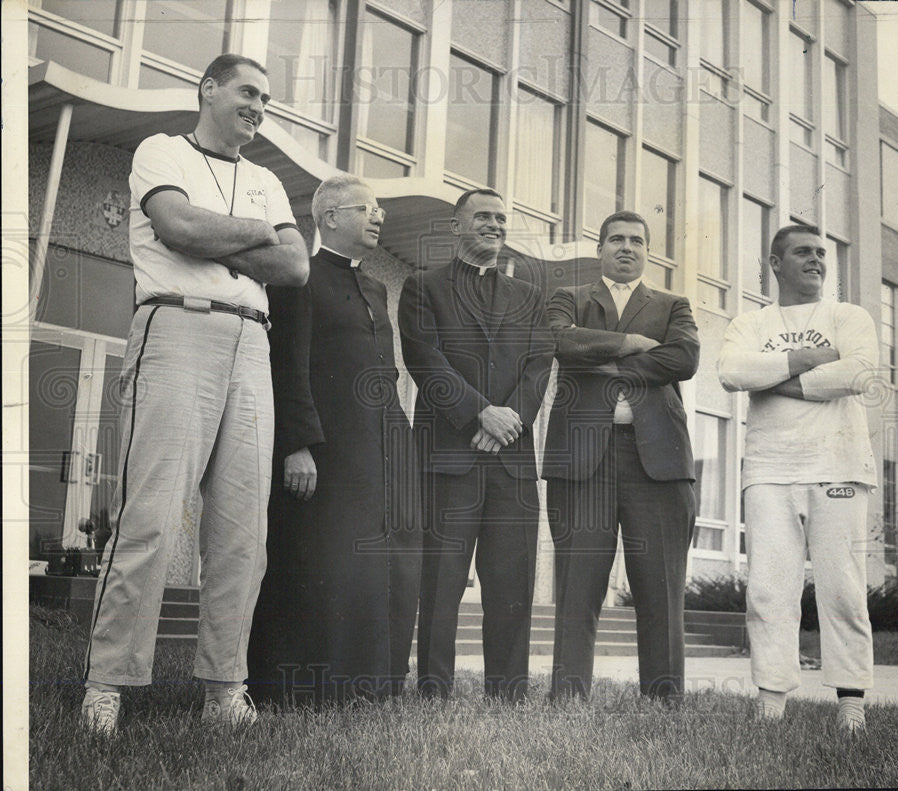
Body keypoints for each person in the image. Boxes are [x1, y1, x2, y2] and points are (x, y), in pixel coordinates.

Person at [81, 54, 309, 734]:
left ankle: (224, 685)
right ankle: (107, 683)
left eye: (266, 98)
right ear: (208, 89)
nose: (258, 106)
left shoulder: (267, 177)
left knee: (243, 528)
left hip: (251, 340)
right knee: (149, 516)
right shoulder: (160, 149)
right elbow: (176, 228)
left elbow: (294, 266)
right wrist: (257, 235)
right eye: (247, 91)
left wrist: (218, 235)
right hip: (177, 324)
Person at [247, 175, 421, 705]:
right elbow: (287, 366)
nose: (378, 218)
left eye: (380, 210)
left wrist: (401, 444)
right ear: (328, 217)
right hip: (324, 453)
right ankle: (302, 691)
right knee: (321, 565)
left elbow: (385, 372)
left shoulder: (376, 286)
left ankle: (370, 687)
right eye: (366, 209)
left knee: (378, 565)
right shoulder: (298, 279)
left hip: (382, 450)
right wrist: (296, 444)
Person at [717, 224, 878, 732]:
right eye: (803, 252)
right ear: (775, 263)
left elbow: (857, 374)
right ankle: (772, 699)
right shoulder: (750, 322)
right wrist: (806, 360)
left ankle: (851, 704)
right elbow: (731, 373)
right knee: (768, 588)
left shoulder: (848, 316)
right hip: (770, 468)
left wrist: (776, 379)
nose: (816, 261)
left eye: (821, 253)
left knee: (844, 589)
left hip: (839, 465)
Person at [398, 188, 554, 701]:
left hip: (512, 460)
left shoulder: (529, 295)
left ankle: (508, 694)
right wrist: (478, 412)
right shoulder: (424, 287)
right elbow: (425, 359)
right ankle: (434, 690)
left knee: (512, 584)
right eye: (482, 217)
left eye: (501, 218)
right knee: (441, 581)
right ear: (456, 227)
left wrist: (512, 418)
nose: (494, 225)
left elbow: (539, 365)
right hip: (450, 458)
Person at [543, 211, 699, 702]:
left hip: (657, 462)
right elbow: (557, 340)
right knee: (577, 586)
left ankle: (664, 698)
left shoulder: (674, 304)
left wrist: (599, 362)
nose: (626, 247)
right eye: (616, 239)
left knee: (660, 588)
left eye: (636, 240)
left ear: (647, 251)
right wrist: (630, 344)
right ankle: (568, 698)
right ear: (600, 248)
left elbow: (685, 360)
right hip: (583, 460)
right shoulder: (570, 297)